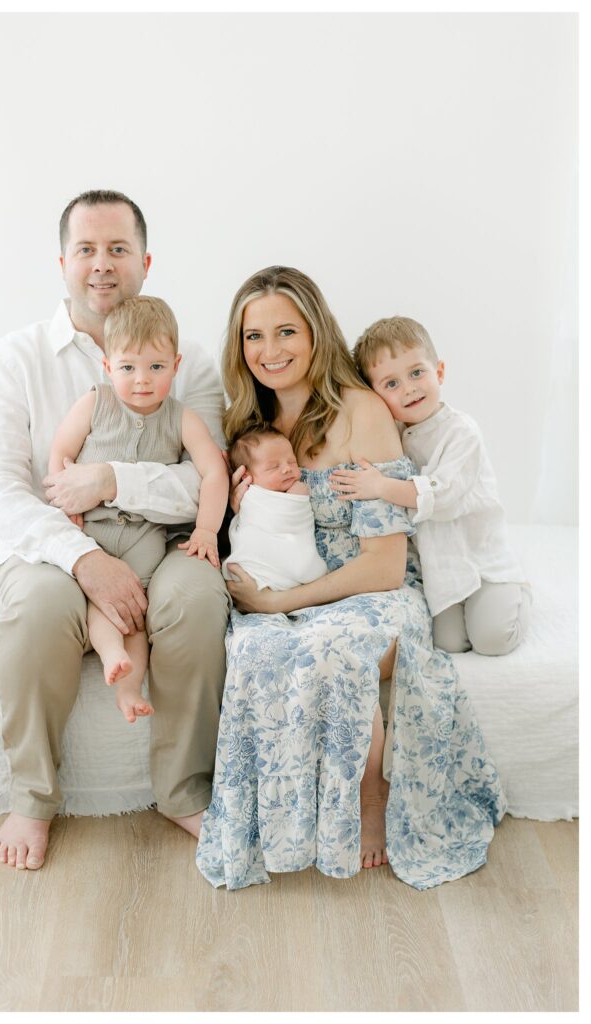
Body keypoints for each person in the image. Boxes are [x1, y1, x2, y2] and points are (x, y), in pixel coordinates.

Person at [195, 266, 506, 891]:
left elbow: (386, 565)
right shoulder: (242, 428)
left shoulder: (363, 412)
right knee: (255, 646)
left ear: (316, 332)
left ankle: (371, 793)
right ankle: (274, 818)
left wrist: (285, 600)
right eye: (254, 337)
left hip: (371, 592)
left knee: (334, 647)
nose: (271, 350)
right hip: (280, 587)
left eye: (287, 331)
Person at [0, 190, 230, 871]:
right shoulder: (10, 360)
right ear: (63, 262)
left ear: (145, 261)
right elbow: (0, 492)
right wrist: (82, 558)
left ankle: (183, 789)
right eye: (86, 249)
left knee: (197, 599)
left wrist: (112, 480)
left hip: (162, 537)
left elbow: (203, 479)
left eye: (117, 249)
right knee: (37, 608)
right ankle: (32, 796)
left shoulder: (188, 362)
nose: (101, 265)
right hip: (50, 543)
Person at [49, 295, 228, 723]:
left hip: (146, 539)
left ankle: (128, 688)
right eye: (128, 367)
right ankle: (112, 655)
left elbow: (215, 473)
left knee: (139, 614)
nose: (142, 380)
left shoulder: (181, 418)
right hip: (94, 535)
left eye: (156, 367)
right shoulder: (95, 403)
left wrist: (205, 530)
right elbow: (60, 453)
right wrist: (66, 508)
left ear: (176, 365)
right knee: (103, 601)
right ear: (109, 367)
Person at [331, 315, 531, 655]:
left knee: (492, 640)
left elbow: (445, 497)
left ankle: (520, 592)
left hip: (481, 561)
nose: (408, 388)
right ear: (375, 396)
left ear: (438, 372)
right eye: (390, 384)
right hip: (442, 567)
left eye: (416, 373)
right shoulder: (392, 434)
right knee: (448, 642)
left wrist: (381, 486)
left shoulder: (460, 432)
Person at [221, 426, 327, 590]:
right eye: (273, 467)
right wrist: (297, 499)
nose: (287, 468)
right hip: (254, 572)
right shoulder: (250, 496)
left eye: (292, 461)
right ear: (246, 476)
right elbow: (275, 522)